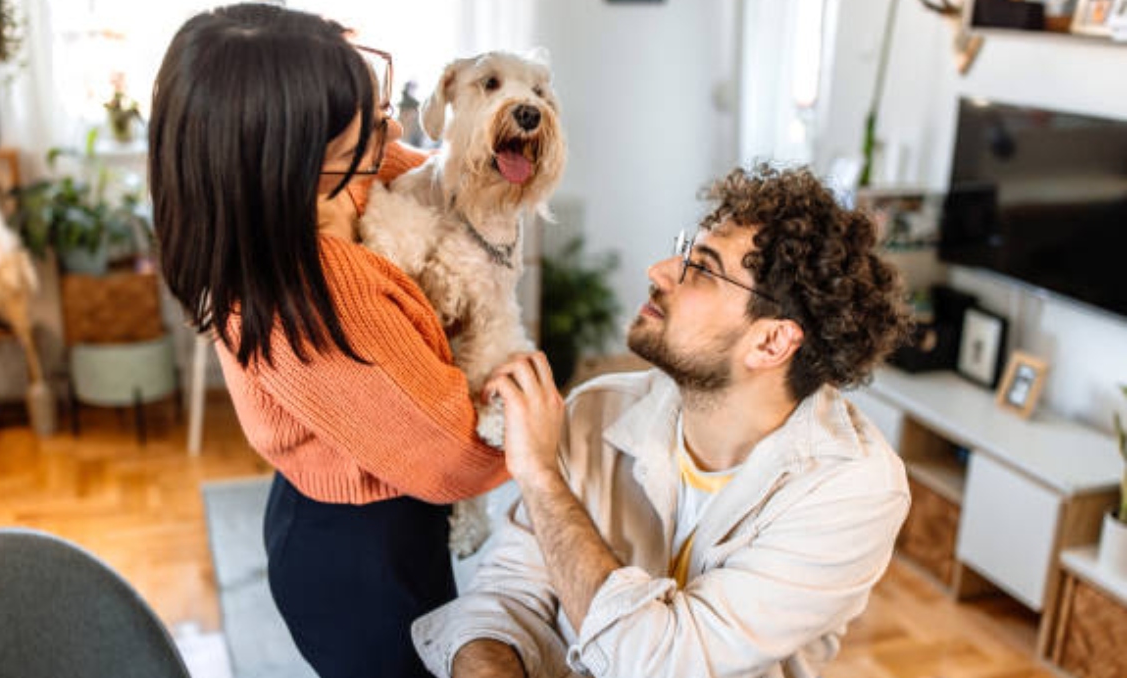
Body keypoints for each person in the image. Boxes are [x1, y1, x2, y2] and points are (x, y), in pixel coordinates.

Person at [414, 164, 914, 677]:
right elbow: (504, 600)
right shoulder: (594, 412)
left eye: (702, 269)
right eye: (684, 251)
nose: (658, 270)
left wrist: (541, 478)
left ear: (770, 342)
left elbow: (660, 664)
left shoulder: (852, 490)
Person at [148, 5, 508, 678]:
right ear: (292, 153)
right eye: (366, 127)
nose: (390, 131)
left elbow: (431, 175)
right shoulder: (317, 294)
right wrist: (540, 428)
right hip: (364, 551)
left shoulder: (290, 198)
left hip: (346, 506)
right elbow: (457, 453)